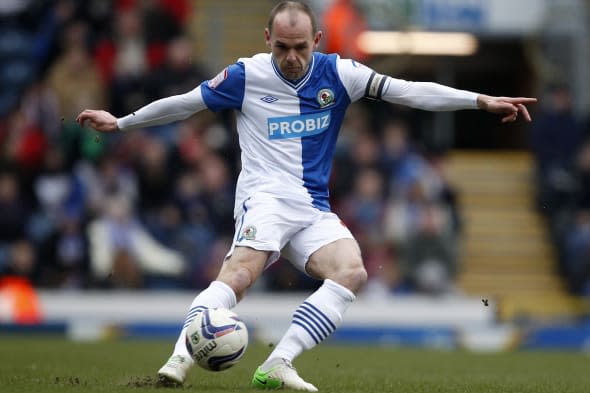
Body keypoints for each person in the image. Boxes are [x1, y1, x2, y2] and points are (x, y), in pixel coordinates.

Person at [76, 1, 536, 390]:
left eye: (300, 47)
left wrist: (479, 100)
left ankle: (278, 362)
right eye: (281, 47)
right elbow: (186, 103)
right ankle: (177, 361)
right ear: (267, 38)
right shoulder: (246, 75)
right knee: (240, 275)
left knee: (352, 270)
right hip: (265, 197)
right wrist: (123, 122)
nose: (292, 57)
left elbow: (409, 91)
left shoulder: (340, 72)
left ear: (316, 39)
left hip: (313, 206)